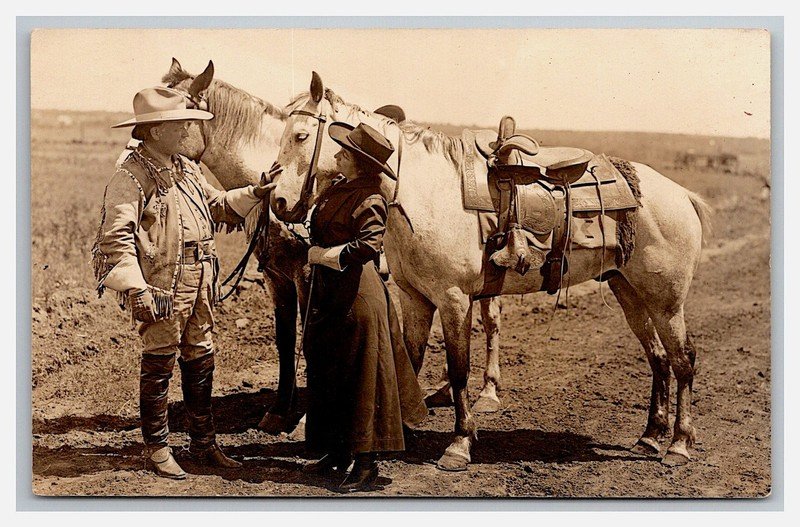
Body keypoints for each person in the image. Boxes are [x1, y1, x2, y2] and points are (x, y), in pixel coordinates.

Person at [91, 86, 276, 479]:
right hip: (161, 285)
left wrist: (255, 193)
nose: (190, 128)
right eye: (181, 123)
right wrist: (136, 288)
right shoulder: (131, 175)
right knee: (159, 359)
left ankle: (204, 442)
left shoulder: (186, 168)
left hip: (200, 278)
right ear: (157, 131)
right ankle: (158, 447)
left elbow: (216, 205)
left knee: (200, 354)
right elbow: (115, 239)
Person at [302, 121, 427, 493]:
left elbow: (368, 248)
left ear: (357, 161)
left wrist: (318, 254)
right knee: (331, 371)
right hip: (332, 294)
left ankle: (367, 464)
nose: (337, 155)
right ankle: (338, 452)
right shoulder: (340, 188)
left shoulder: (370, 197)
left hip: (359, 298)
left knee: (363, 378)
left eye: (343, 152)